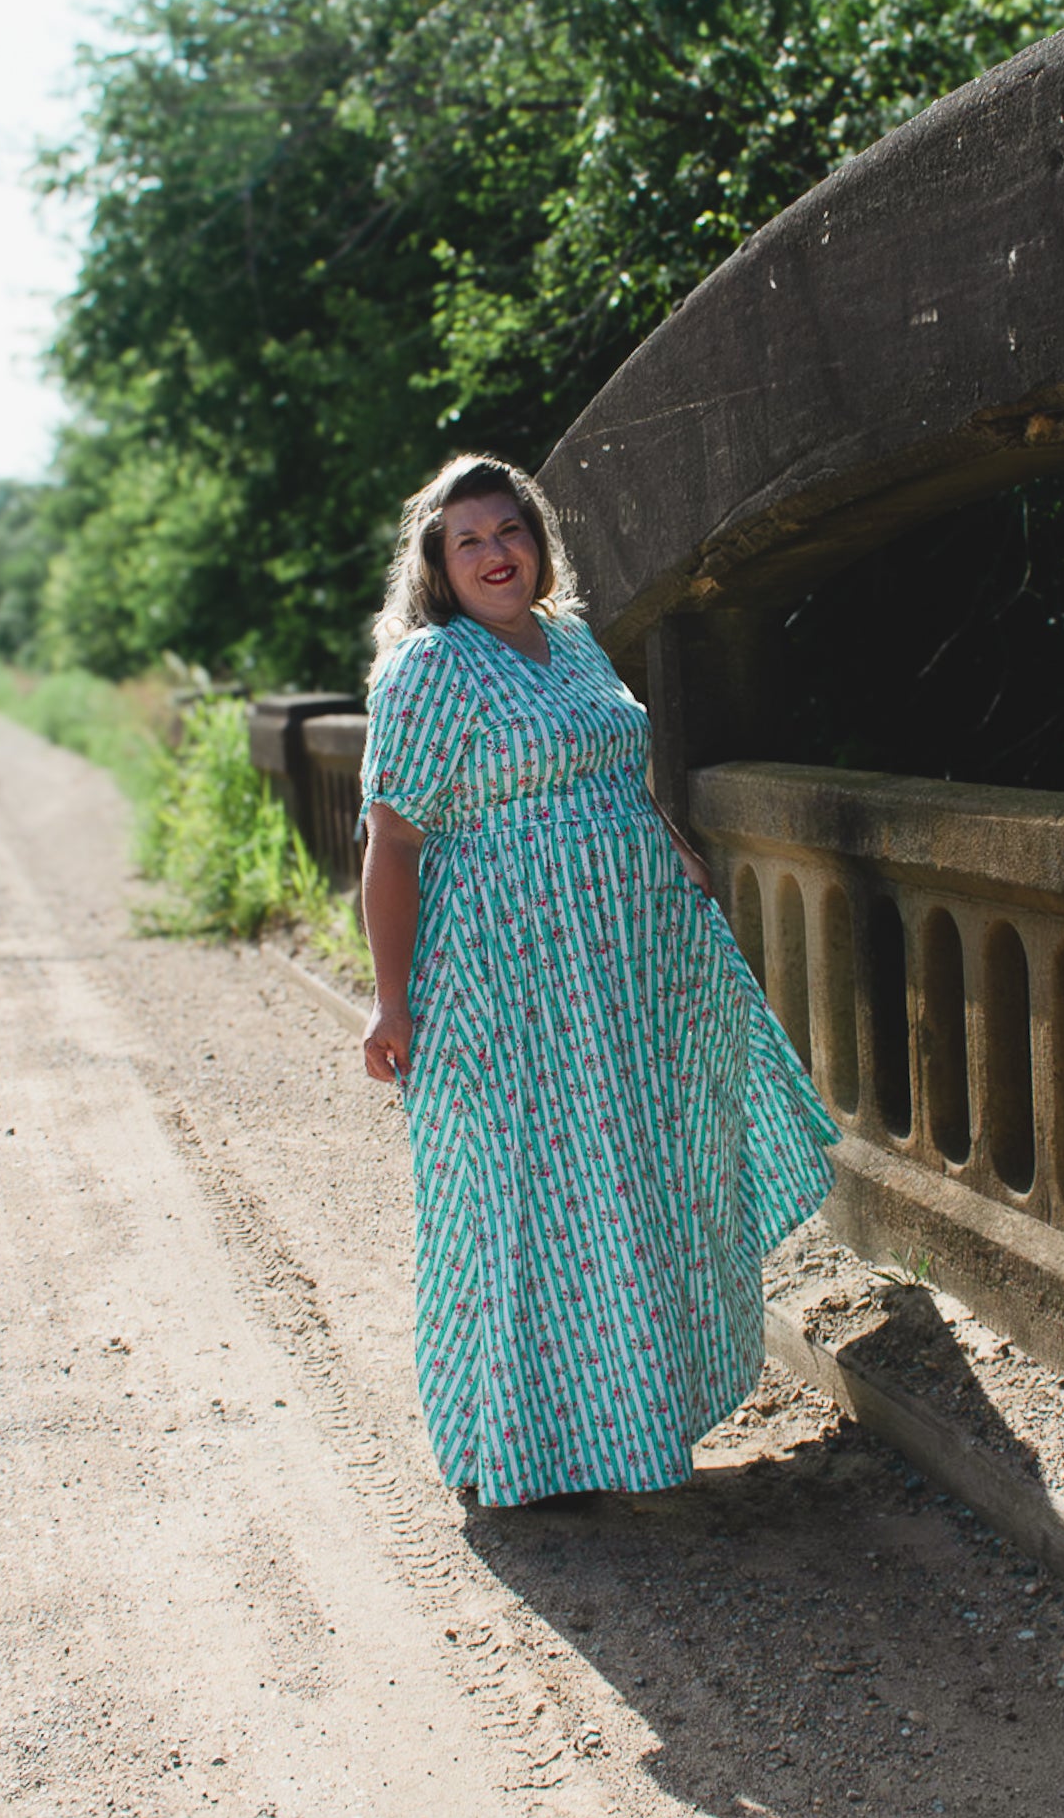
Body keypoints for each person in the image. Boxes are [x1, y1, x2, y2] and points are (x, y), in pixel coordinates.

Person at [359, 454, 838, 1508]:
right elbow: (392, 841)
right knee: (520, 1195)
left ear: (538, 539)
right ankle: (522, 1446)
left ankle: (628, 1427)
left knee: (628, 1182)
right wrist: (391, 1000)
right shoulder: (430, 669)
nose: (495, 552)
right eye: (468, 539)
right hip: (508, 977)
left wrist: (667, 845)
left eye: (509, 529)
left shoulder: (570, 639)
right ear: (437, 565)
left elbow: (616, 767)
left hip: (627, 974)